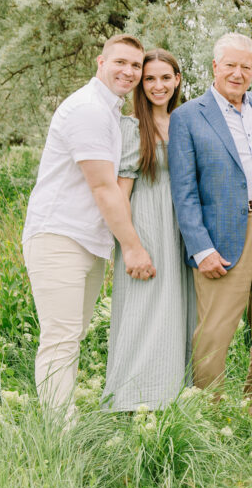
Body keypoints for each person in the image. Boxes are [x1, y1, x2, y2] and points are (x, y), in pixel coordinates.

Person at [22, 34, 155, 415]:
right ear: (100, 62)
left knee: (71, 337)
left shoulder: (109, 111)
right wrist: (132, 246)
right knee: (61, 339)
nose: (128, 72)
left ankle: (62, 420)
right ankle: (57, 432)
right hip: (59, 236)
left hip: (88, 241)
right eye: (121, 63)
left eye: (135, 66)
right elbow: (103, 187)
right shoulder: (87, 109)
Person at [169, 33, 252, 404]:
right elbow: (184, 190)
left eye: (246, 67)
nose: (238, 73)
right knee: (215, 330)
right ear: (215, 67)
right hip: (219, 235)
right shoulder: (188, 117)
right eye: (231, 65)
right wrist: (200, 247)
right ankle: (210, 413)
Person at [102, 49, 196, 411]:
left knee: (180, 312)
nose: (158, 85)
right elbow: (120, 193)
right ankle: (132, 400)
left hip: (182, 227)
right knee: (144, 312)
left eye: (165, 78)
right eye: (150, 78)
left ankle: (174, 399)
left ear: (177, 81)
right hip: (147, 225)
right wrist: (129, 245)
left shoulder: (186, 122)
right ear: (141, 84)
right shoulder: (131, 127)